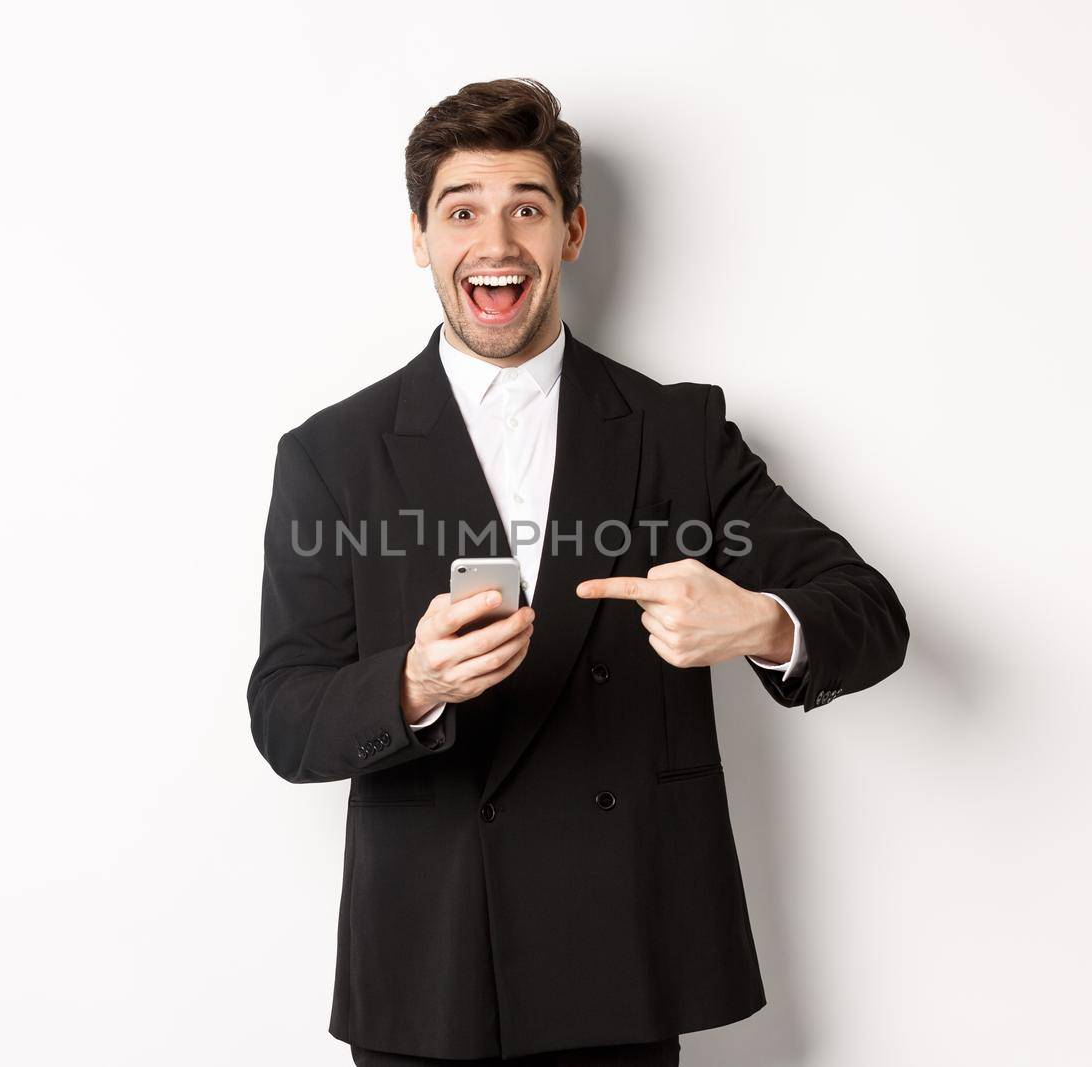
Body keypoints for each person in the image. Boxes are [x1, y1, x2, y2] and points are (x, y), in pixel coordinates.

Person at [247, 77, 908, 1065]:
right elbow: (285, 714)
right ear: (421, 237)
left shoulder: (676, 432)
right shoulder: (334, 453)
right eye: (461, 209)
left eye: (527, 207)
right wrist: (412, 681)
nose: (496, 239)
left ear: (573, 230)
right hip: (428, 967)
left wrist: (760, 622)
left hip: (620, 952)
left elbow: (870, 613)